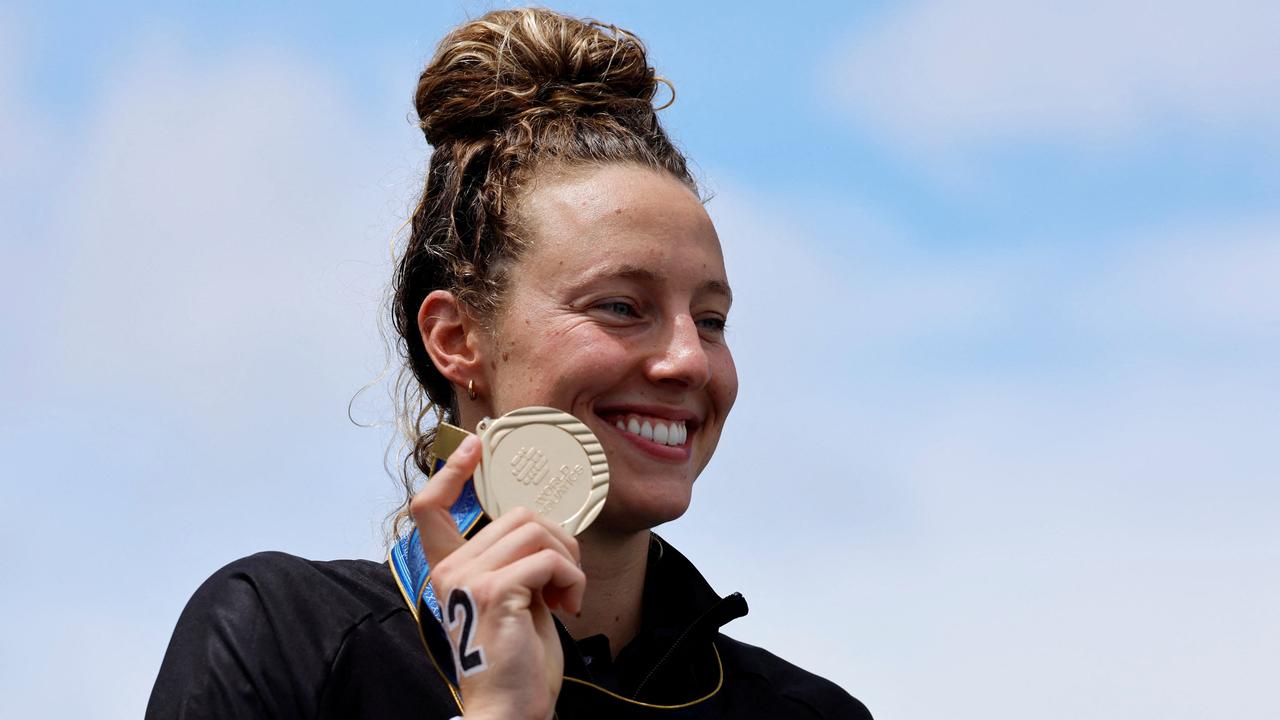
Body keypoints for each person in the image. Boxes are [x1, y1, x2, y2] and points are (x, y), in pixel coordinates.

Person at [147, 8, 872, 719]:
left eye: (710, 320)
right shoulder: (285, 641)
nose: (688, 359)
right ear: (458, 339)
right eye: (621, 306)